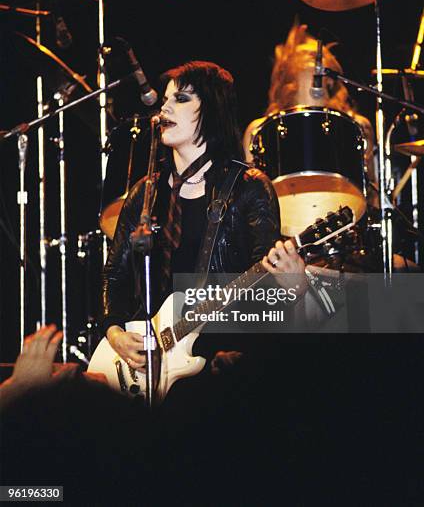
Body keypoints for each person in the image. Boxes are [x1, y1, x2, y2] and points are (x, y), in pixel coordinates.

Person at [102, 60, 307, 392]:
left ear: (212, 110)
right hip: (143, 364)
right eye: (166, 99)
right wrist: (115, 334)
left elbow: (265, 292)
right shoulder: (145, 193)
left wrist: (293, 288)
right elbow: (115, 274)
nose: (164, 106)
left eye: (181, 98)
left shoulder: (248, 187)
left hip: (222, 367)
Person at [243, 20, 376, 186]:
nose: (313, 55)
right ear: (287, 69)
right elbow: (253, 195)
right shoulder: (258, 130)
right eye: (304, 52)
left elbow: (371, 189)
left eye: (317, 54)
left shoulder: (358, 125)